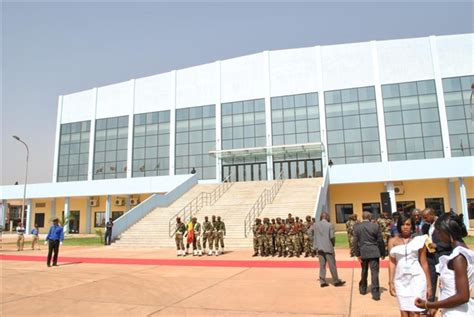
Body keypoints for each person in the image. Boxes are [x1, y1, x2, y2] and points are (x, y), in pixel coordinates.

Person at [414, 212, 473, 316]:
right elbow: (451, 290)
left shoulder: (458, 257)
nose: (438, 235)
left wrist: (429, 305)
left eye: (439, 232)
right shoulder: (465, 252)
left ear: (448, 232)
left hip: (457, 313)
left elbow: (463, 296)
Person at [388, 213, 431, 316]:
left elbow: (424, 263)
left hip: (417, 278)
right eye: (403, 224)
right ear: (399, 226)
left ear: (412, 226)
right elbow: (392, 262)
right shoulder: (392, 241)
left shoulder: (419, 241)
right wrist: (391, 282)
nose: (405, 227)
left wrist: (429, 285)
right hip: (401, 279)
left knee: (416, 309)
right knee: (403, 309)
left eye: (408, 224)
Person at [353, 212, 385, 301]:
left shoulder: (357, 227)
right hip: (374, 251)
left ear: (362, 217)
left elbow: (355, 242)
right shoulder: (375, 226)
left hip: (363, 252)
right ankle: (375, 293)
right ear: (370, 217)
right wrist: (383, 253)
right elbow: (380, 240)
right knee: (374, 272)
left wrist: (357, 254)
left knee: (364, 270)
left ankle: (363, 289)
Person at [422, 208, 452, 302]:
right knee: (431, 279)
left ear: (432, 214)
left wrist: (437, 245)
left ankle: (446, 301)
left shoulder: (443, 225)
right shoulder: (429, 226)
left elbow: (449, 242)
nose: (424, 220)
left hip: (442, 256)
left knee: (444, 280)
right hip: (431, 256)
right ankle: (430, 303)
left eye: (426, 217)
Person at [312, 212, 345, 287]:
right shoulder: (330, 225)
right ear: (326, 217)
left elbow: (310, 232)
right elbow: (332, 237)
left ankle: (322, 281)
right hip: (328, 247)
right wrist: (333, 244)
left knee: (322, 265)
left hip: (319, 248)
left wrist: (315, 242)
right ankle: (336, 281)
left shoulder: (315, 225)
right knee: (332, 265)